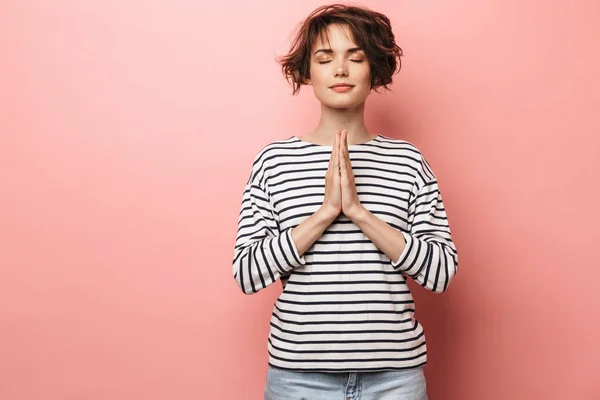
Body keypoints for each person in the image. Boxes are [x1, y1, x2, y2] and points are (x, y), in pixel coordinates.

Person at [231, 4, 458, 399]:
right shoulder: (274, 161)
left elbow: (441, 273)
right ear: (307, 72)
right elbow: (247, 273)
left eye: (356, 57)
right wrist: (323, 214)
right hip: (298, 379)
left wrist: (358, 213)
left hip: (394, 380)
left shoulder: (407, 162)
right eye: (325, 58)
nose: (340, 69)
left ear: (375, 70)